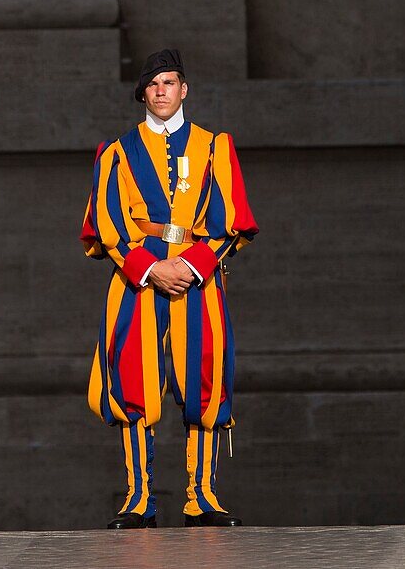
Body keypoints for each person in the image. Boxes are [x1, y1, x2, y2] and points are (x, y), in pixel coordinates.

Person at [80, 48, 258, 528]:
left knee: (204, 379)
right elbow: (108, 224)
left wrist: (193, 266)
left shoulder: (214, 146)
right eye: (153, 84)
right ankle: (139, 499)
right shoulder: (117, 152)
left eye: (170, 82)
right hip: (137, 279)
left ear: (184, 89)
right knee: (133, 381)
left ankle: (202, 497)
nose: (162, 91)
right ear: (143, 93)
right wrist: (150, 269)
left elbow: (229, 222)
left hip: (197, 276)